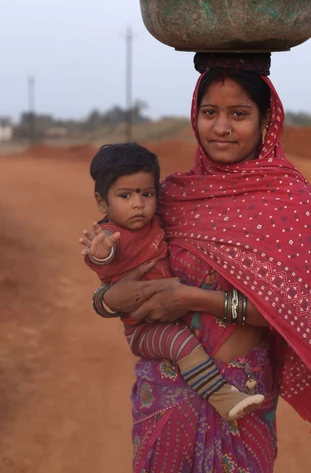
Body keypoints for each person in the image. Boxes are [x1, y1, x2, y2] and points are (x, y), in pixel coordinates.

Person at [91, 53, 311, 473]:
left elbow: (300, 314)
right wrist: (106, 300)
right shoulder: (171, 195)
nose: (221, 127)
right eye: (209, 112)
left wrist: (192, 298)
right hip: (164, 389)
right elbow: (124, 267)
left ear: (266, 120)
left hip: (241, 392)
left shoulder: (286, 198)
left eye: (239, 114)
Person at [80, 142, 265, 420]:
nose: (138, 203)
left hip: (181, 321)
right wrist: (103, 252)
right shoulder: (113, 232)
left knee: (183, 341)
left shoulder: (159, 217)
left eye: (146, 194)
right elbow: (107, 250)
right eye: (125, 195)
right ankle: (223, 397)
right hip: (144, 328)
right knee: (182, 345)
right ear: (101, 203)